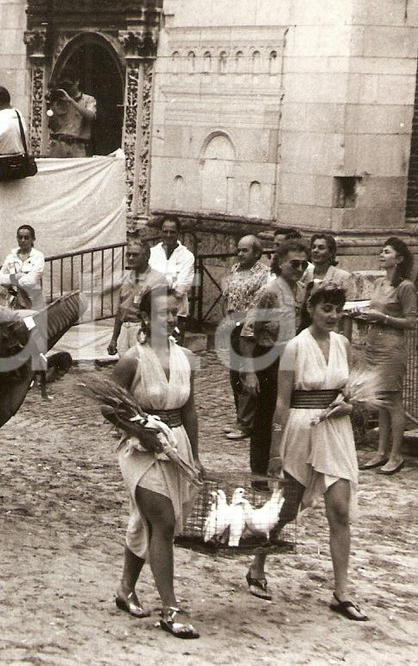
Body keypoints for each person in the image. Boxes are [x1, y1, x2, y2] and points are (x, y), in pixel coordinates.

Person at [245, 282, 369, 622]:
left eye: (337, 308)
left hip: (336, 432)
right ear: (311, 309)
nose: (333, 315)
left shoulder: (343, 344)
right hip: (301, 429)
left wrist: (348, 405)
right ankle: (257, 566)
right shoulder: (295, 347)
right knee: (287, 509)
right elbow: (282, 402)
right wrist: (274, 451)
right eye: (326, 308)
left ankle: (341, 592)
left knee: (340, 511)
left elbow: (351, 390)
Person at [110, 286, 203, 639]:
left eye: (174, 311)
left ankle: (125, 588)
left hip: (175, 446)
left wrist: (195, 455)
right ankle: (170, 609)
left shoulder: (187, 359)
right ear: (146, 317)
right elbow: (110, 406)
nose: (170, 317)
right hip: (139, 448)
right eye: (163, 312)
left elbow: (189, 410)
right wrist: (139, 429)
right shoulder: (132, 360)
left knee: (146, 521)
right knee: (162, 521)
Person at [239, 239, 309, 486]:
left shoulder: (302, 291)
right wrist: (249, 372)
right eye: (294, 264)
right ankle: (259, 474)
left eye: (303, 264)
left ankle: (283, 468)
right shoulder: (269, 292)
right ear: (280, 263)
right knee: (266, 418)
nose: (299, 269)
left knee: (287, 415)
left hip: (291, 358)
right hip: (268, 358)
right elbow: (248, 334)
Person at [354, 239, 418, 474]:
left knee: (393, 401)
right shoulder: (381, 282)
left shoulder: (406, 287)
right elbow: (378, 310)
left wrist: (384, 319)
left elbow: (412, 322)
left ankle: (396, 454)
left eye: (387, 252)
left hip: (392, 347)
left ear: (399, 259)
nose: (381, 254)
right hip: (374, 344)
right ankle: (381, 452)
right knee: (380, 400)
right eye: (381, 250)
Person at [221, 235, 270, 441]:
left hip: (249, 329)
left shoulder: (264, 275)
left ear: (257, 253)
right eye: (239, 250)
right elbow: (227, 297)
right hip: (233, 326)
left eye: (245, 250)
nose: (240, 254)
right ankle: (240, 417)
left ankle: (246, 423)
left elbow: (260, 303)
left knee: (247, 374)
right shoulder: (234, 270)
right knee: (235, 377)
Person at [107, 240, 168, 357]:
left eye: (135, 255)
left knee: (143, 368)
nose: (130, 258)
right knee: (126, 367)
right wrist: (114, 339)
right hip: (125, 330)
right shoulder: (125, 278)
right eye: (128, 254)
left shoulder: (158, 279)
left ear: (146, 256)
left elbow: (161, 314)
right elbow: (120, 311)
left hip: (143, 329)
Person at [299, 234, 354, 334]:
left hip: (332, 330)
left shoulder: (343, 277)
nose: (315, 251)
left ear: (330, 253)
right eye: (313, 247)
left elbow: (347, 312)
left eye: (321, 248)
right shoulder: (303, 274)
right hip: (304, 329)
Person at [147, 215, 195, 331]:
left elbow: (181, 289)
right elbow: (145, 282)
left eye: (172, 232)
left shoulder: (187, 256)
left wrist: (157, 285)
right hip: (153, 311)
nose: (168, 235)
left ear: (178, 233)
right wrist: (170, 284)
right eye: (165, 231)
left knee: (175, 347)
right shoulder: (151, 253)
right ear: (160, 232)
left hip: (176, 313)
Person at [46, 68, 96, 158]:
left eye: (69, 85)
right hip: (59, 144)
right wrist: (51, 105)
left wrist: (70, 100)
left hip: (77, 145)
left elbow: (91, 116)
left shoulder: (88, 100)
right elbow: (52, 125)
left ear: (77, 82)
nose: (67, 89)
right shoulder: (58, 100)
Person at [0, 225, 45, 310]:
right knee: (14, 322)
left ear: (33, 239)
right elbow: (1, 278)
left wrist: (11, 279)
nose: (23, 240)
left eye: (26, 238)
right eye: (20, 237)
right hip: (13, 300)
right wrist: (18, 276)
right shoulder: (11, 257)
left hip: (31, 299)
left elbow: (31, 280)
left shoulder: (38, 256)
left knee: (30, 322)